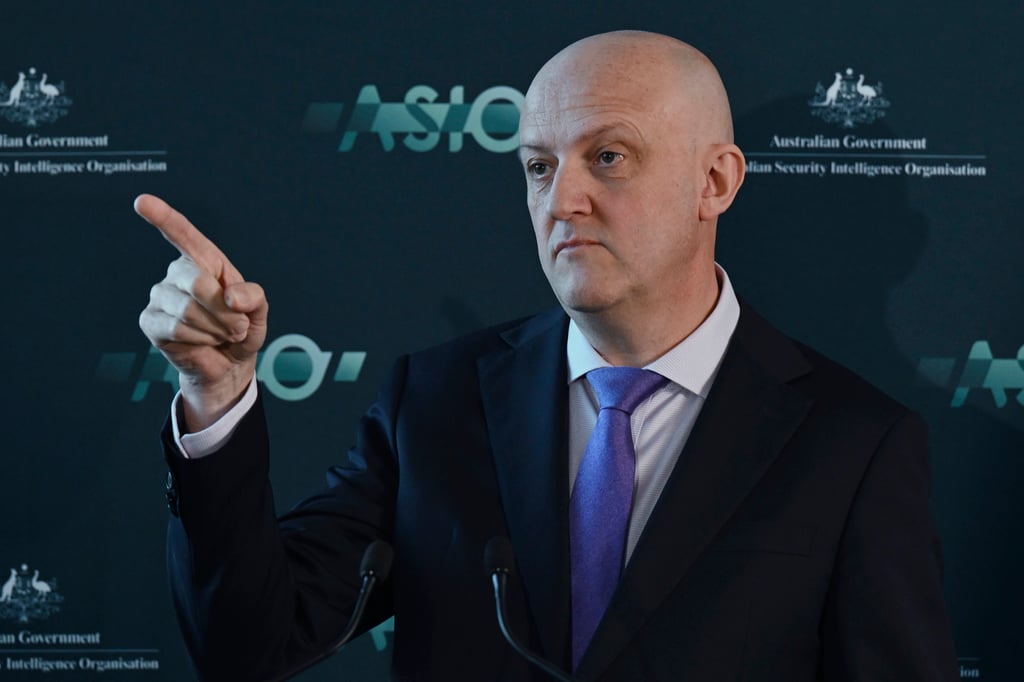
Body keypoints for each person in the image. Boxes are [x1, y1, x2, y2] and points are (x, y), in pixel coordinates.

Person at [138, 31, 957, 681]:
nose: (561, 200)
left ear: (715, 182)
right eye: (538, 165)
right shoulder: (436, 398)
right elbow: (247, 646)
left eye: (609, 156)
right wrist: (216, 393)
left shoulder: (855, 445)